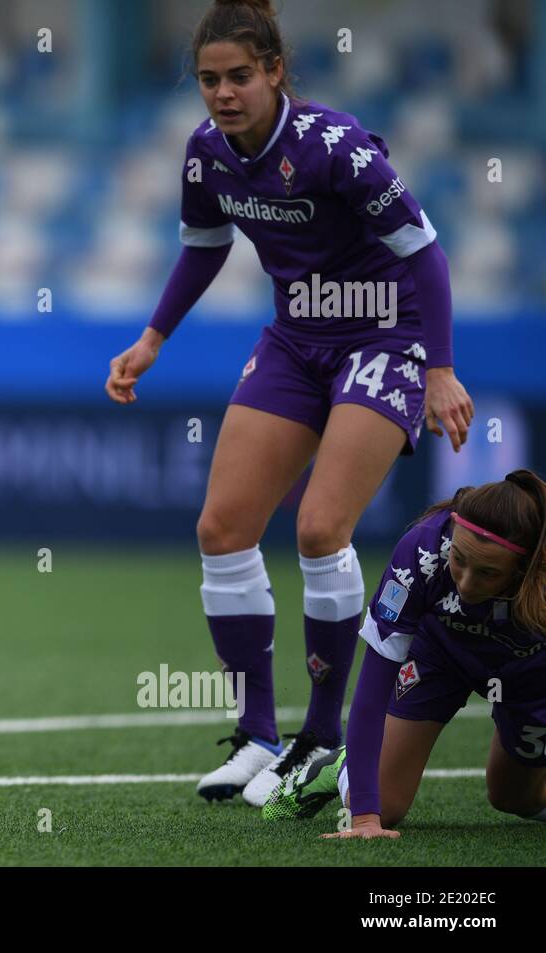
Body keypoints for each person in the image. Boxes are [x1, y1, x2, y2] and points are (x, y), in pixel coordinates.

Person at [105, 0, 474, 805]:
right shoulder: (206, 155)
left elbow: (426, 253)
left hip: (383, 337)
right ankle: (258, 735)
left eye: (240, 76)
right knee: (222, 528)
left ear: (275, 72)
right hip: (295, 341)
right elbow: (203, 250)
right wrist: (152, 338)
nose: (223, 93)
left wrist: (439, 369)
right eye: (209, 80)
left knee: (317, 528)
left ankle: (323, 735)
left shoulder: (335, 148)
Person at [263, 470, 546, 835]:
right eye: (459, 560)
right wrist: (365, 817)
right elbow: (372, 691)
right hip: (440, 653)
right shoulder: (421, 553)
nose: (466, 583)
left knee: (515, 799)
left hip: (529, 670)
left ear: (526, 569)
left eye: (488, 573)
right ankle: (341, 767)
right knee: (385, 805)